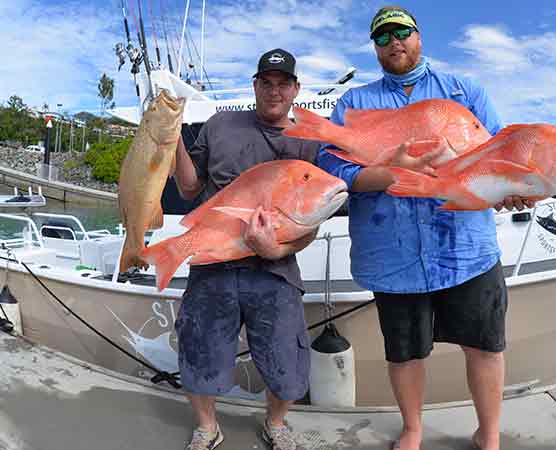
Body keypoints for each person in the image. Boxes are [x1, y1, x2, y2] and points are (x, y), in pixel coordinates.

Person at [316, 6, 531, 450]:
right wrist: (390, 172)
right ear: (374, 48)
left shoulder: (463, 91)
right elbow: (332, 168)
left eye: (403, 32)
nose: (394, 42)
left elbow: (496, 154)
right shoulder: (354, 104)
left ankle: (489, 434)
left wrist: (512, 187)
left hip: (466, 248)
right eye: (383, 37)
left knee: (485, 346)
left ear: (418, 36)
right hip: (392, 255)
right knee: (405, 353)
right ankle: (412, 428)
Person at [172, 48, 320, 450]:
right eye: (266, 83)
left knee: (286, 359)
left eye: (283, 84)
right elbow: (188, 189)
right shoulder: (220, 125)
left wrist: (274, 250)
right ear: (254, 85)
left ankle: (276, 423)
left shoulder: (307, 142)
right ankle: (207, 426)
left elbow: (311, 224)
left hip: (275, 269)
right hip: (215, 264)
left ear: (295, 90)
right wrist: (174, 141)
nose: (275, 91)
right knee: (199, 348)